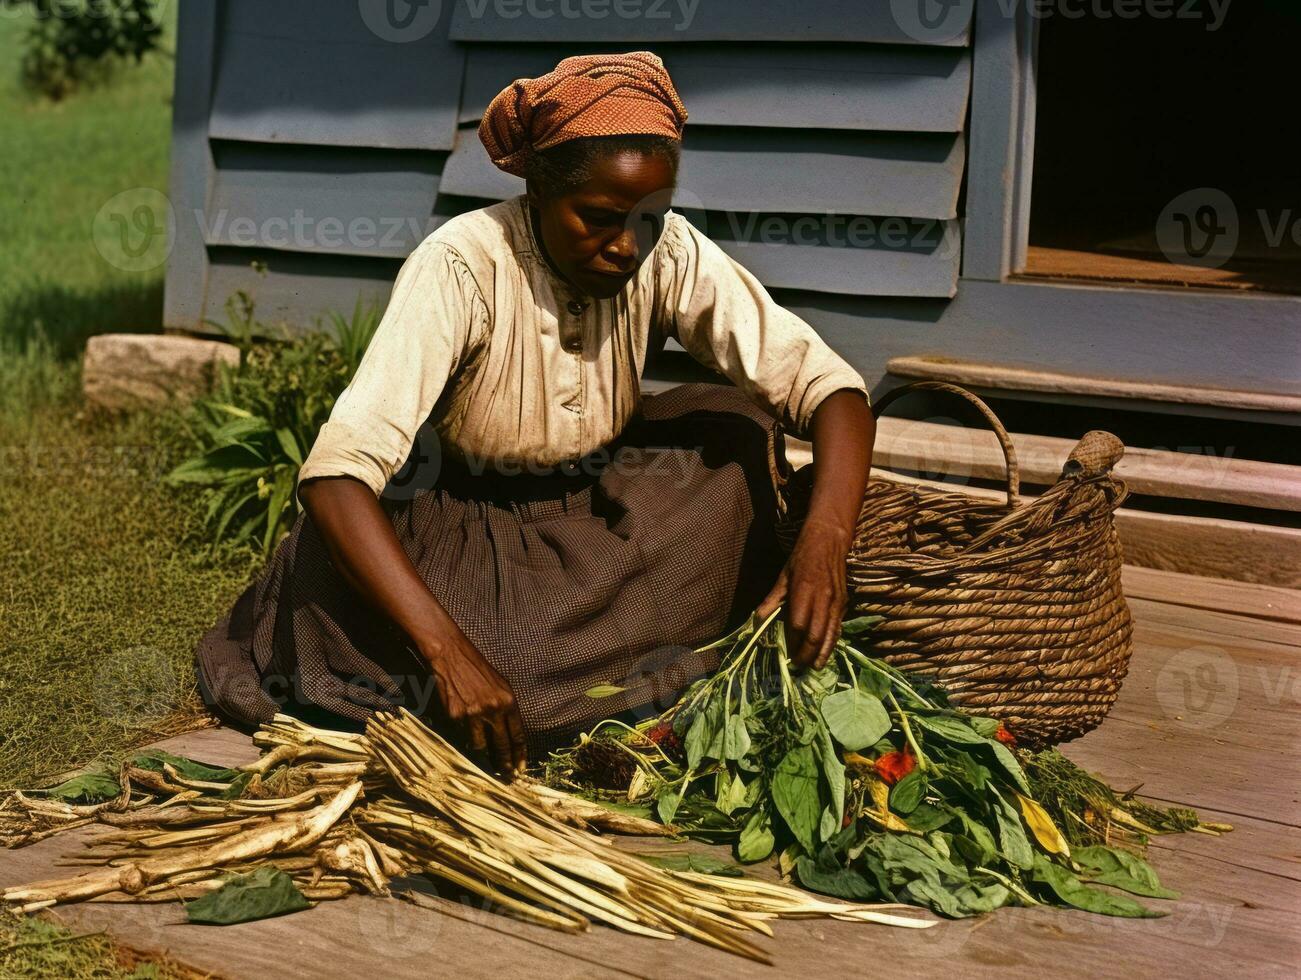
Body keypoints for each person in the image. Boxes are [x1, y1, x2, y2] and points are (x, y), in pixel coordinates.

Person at [196, 52, 875, 776]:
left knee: (735, 428)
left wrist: (823, 538)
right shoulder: (463, 264)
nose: (626, 246)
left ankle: (619, 649)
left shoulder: (663, 249)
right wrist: (452, 655)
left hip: (597, 507)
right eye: (599, 219)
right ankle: (598, 663)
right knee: (508, 680)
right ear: (541, 191)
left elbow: (830, 389)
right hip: (465, 524)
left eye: (649, 220)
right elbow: (336, 477)